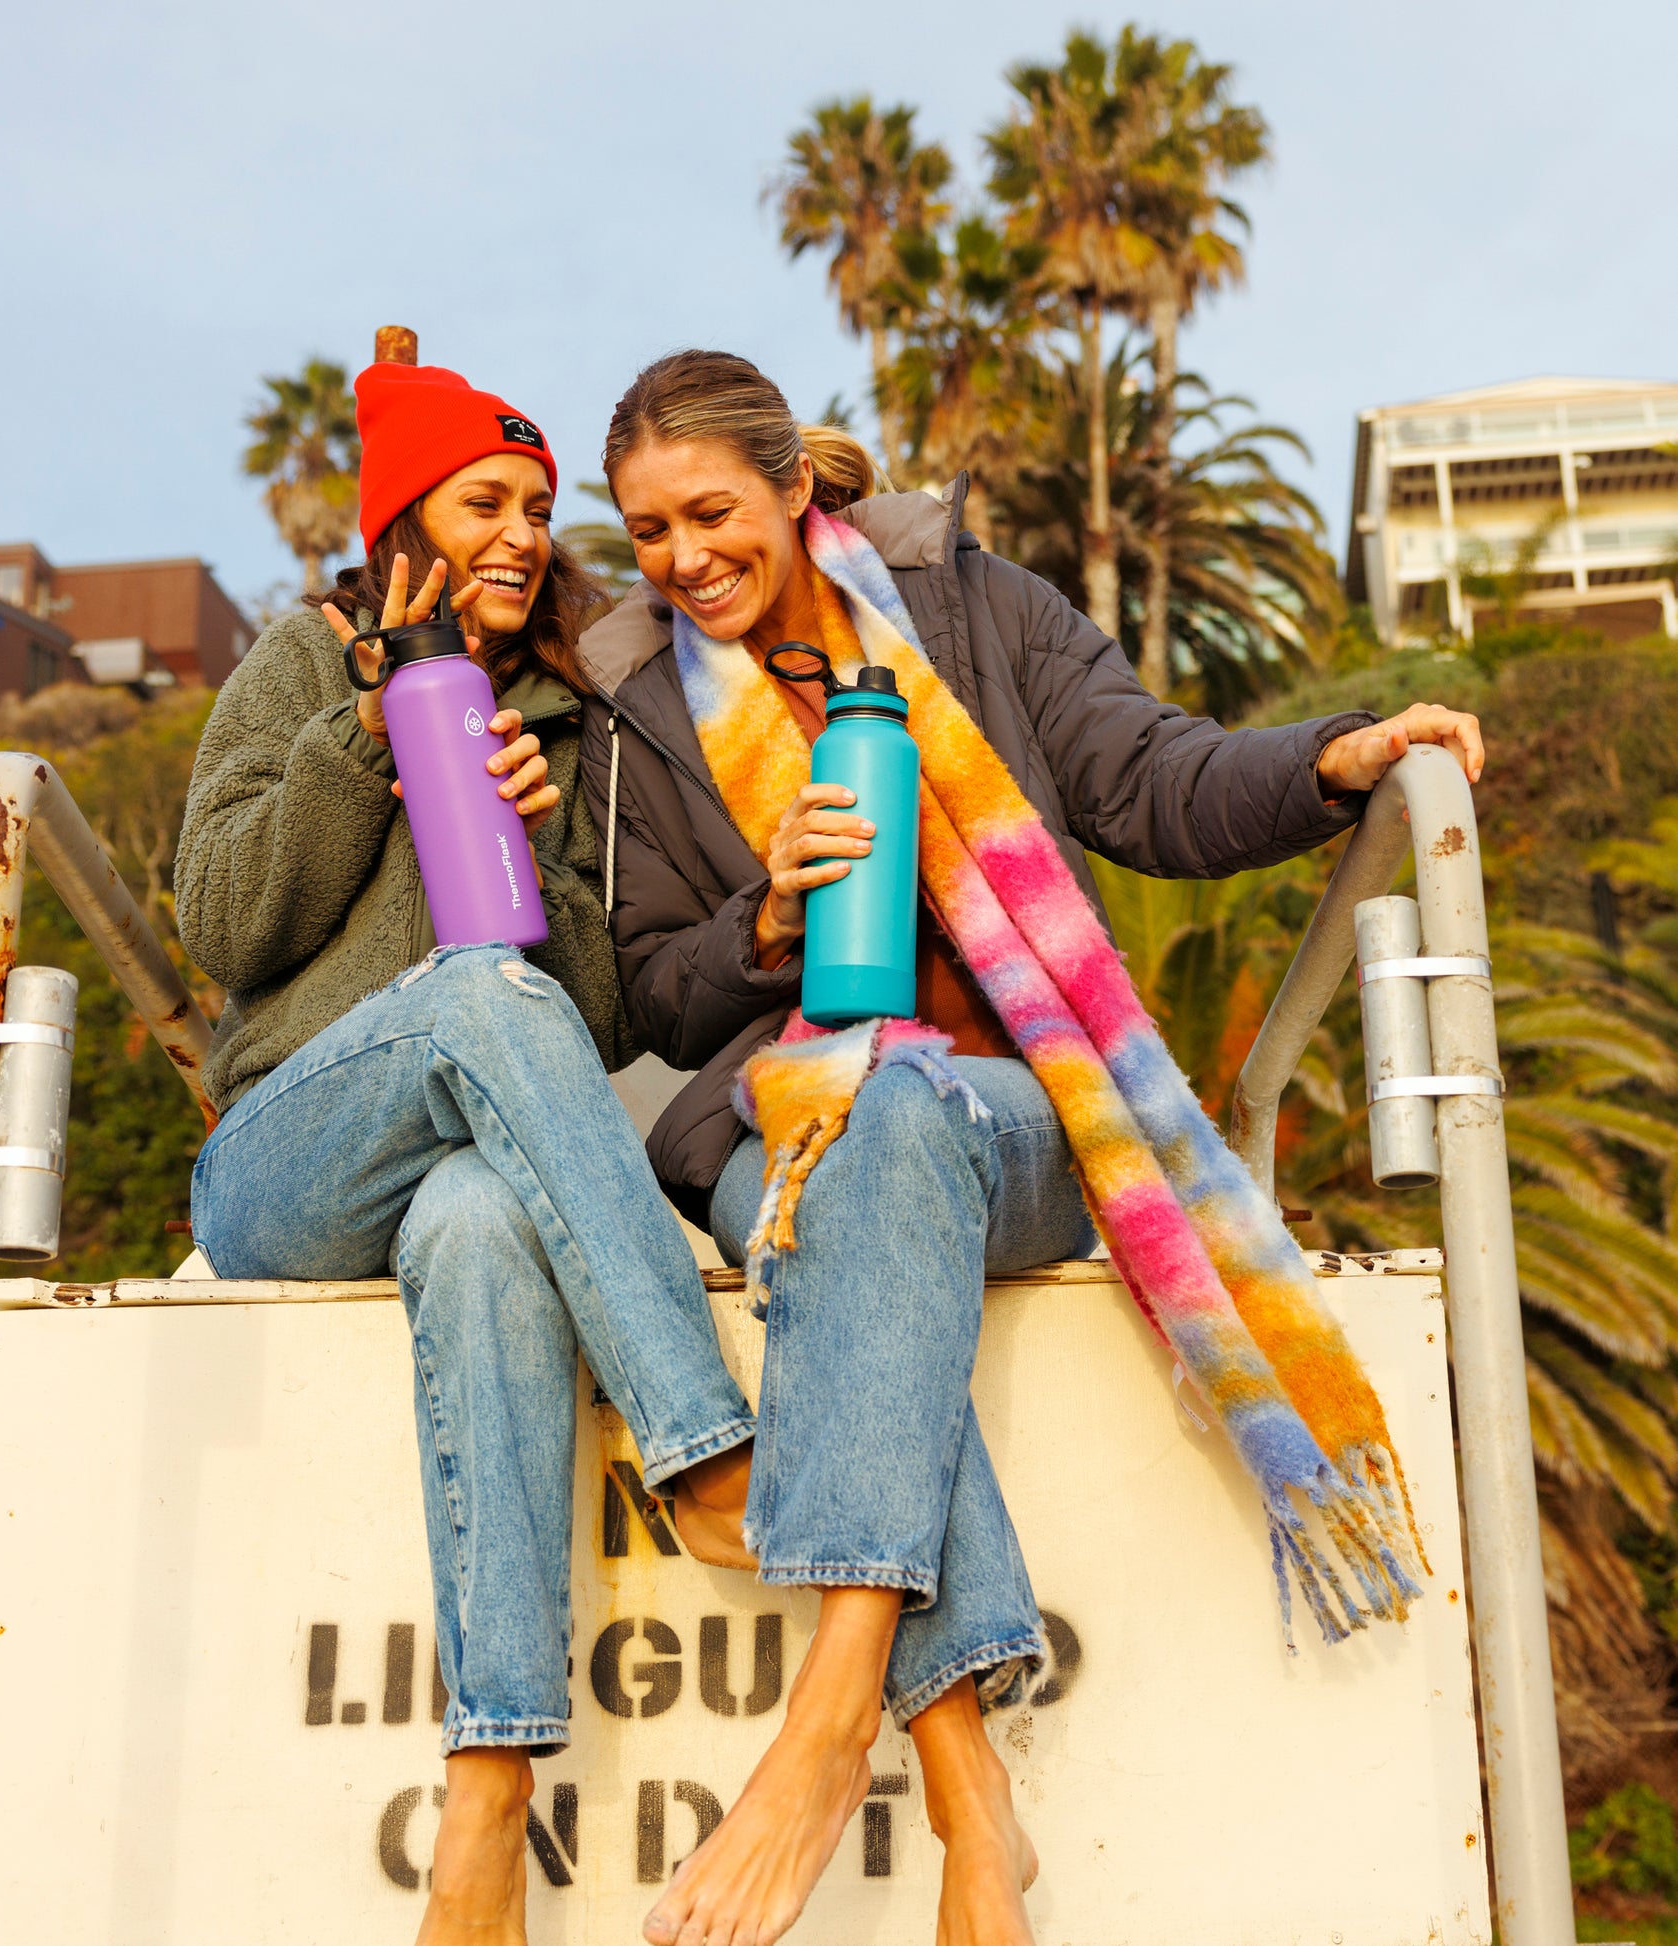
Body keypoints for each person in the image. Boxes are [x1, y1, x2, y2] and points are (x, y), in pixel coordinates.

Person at [582, 348, 1487, 1946]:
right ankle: (972, 1804)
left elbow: (1148, 778)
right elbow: (648, 982)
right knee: (857, 1130)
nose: (681, 560)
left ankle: (835, 1702)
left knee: (901, 1107)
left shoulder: (975, 611)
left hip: (1013, 1112)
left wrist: (1338, 752)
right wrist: (764, 918)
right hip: (773, 1127)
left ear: (795, 492)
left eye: (710, 511)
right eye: (644, 531)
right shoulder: (637, 717)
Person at [176, 353, 757, 1946]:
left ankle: (486, 1801)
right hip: (290, 1157)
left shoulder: (564, 720)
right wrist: (371, 738)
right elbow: (223, 920)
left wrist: (523, 836)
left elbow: (603, 1012)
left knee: (489, 1225)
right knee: (472, 1000)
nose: (519, 535)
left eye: (536, 511)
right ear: (403, 516)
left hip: (455, 1162)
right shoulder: (301, 661)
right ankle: (702, 1437)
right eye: (484, 502)